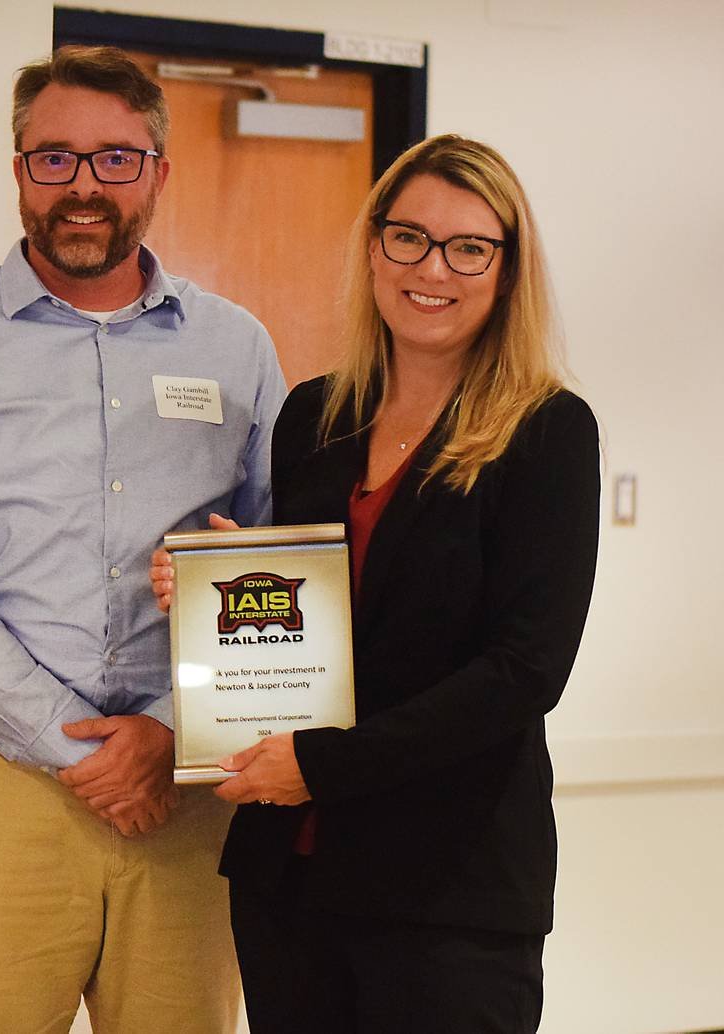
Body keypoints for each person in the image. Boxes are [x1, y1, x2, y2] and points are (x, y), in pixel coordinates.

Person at [0, 46, 286, 1034]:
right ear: (18, 171)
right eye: (54, 159)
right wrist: (80, 747)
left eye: (114, 158)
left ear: (158, 172)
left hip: (189, 792)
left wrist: (167, 729)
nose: (84, 185)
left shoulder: (239, 347)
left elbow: (271, 561)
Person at [151, 134, 600, 1033]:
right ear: (373, 247)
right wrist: (219, 592)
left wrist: (320, 766)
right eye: (409, 237)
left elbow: (523, 672)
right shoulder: (316, 414)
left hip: (449, 891)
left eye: (469, 247)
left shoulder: (547, 432)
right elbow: (314, 624)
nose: (433, 268)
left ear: (507, 272)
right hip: (291, 879)